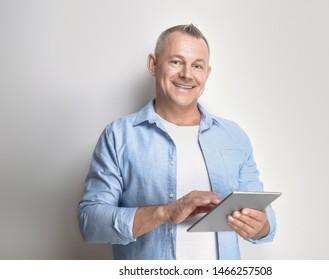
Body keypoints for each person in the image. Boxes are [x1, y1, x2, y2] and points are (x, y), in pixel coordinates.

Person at [78, 24, 277, 260]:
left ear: (207, 73)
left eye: (197, 65)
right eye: (176, 62)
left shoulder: (233, 136)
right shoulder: (118, 136)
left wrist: (261, 225)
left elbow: (266, 220)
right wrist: (165, 212)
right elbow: (90, 222)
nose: (187, 74)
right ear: (154, 64)